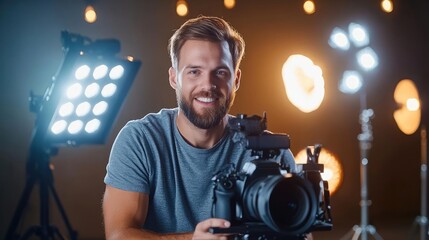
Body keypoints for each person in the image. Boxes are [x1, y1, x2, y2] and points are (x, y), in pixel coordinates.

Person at [102, 16, 297, 240]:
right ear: (174, 78)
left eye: (221, 72)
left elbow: (300, 233)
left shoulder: (269, 151)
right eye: (194, 71)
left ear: (236, 80)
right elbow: (118, 235)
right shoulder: (141, 140)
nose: (208, 86)